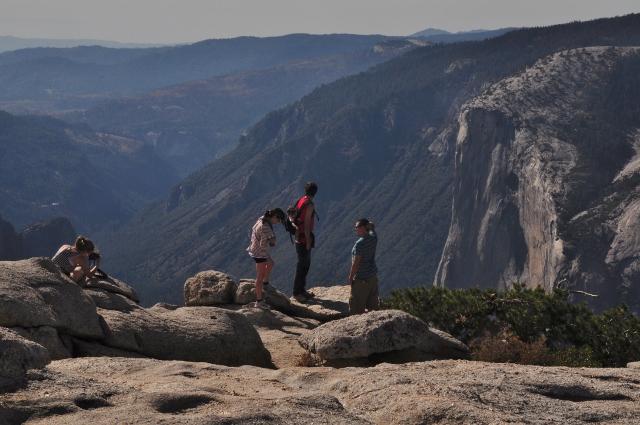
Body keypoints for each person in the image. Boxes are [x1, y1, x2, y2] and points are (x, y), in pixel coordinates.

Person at [247, 208, 285, 309]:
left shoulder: (262, 219)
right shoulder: (266, 227)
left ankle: (266, 283)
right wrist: (271, 241)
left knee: (271, 263)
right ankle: (259, 301)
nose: (278, 222)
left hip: (254, 248)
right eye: (279, 220)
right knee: (259, 276)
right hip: (260, 253)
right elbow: (263, 245)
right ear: (275, 217)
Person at [292, 182, 318, 303]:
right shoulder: (309, 205)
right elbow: (307, 225)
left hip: (298, 237)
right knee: (302, 265)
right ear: (315, 192)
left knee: (304, 264)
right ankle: (297, 292)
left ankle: (302, 290)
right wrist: (308, 241)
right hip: (304, 238)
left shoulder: (300, 200)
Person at [348, 219, 379, 315]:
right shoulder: (373, 238)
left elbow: (356, 263)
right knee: (373, 308)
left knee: (356, 309)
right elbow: (372, 227)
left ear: (362, 228)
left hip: (361, 279)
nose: (355, 229)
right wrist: (370, 225)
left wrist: (351, 277)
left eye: (356, 227)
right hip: (373, 277)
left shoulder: (359, 244)